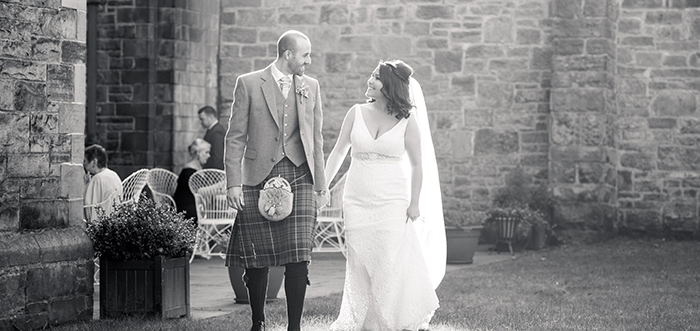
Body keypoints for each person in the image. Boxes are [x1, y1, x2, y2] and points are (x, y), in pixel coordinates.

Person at [324, 60, 446, 331]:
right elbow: (338, 152)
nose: (370, 80)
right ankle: (367, 319)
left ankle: (391, 319)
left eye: (377, 77)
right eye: (371, 75)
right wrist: (323, 186)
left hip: (392, 200)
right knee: (361, 260)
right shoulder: (355, 112)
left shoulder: (407, 120)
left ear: (389, 85)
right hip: (356, 199)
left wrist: (414, 203)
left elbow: (417, 165)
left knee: (388, 261)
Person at [224, 30, 327, 331]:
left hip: (300, 174)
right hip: (257, 176)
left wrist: (321, 184)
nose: (309, 61)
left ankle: (294, 327)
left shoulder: (311, 86)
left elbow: (316, 139)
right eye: (305, 55)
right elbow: (235, 137)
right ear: (288, 54)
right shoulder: (249, 83)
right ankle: (259, 322)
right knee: (257, 255)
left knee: (299, 254)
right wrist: (233, 183)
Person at [172, 138, 211, 223]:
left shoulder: (199, 169)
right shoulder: (188, 171)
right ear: (198, 153)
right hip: (186, 210)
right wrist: (221, 185)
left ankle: (207, 235)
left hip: (198, 206)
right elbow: (200, 191)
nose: (209, 156)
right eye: (206, 152)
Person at [83, 144, 123, 221]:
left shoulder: (97, 179)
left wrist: (85, 186)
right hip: (115, 218)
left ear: (94, 162)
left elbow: (88, 207)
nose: (83, 164)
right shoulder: (114, 174)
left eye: (85, 161)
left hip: (101, 222)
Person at [198, 105, 226, 170]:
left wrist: (211, 174)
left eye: (202, 119)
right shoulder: (212, 130)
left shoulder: (217, 132)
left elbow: (217, 157)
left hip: (214, 172)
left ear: (210, 117)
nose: (200, 122)